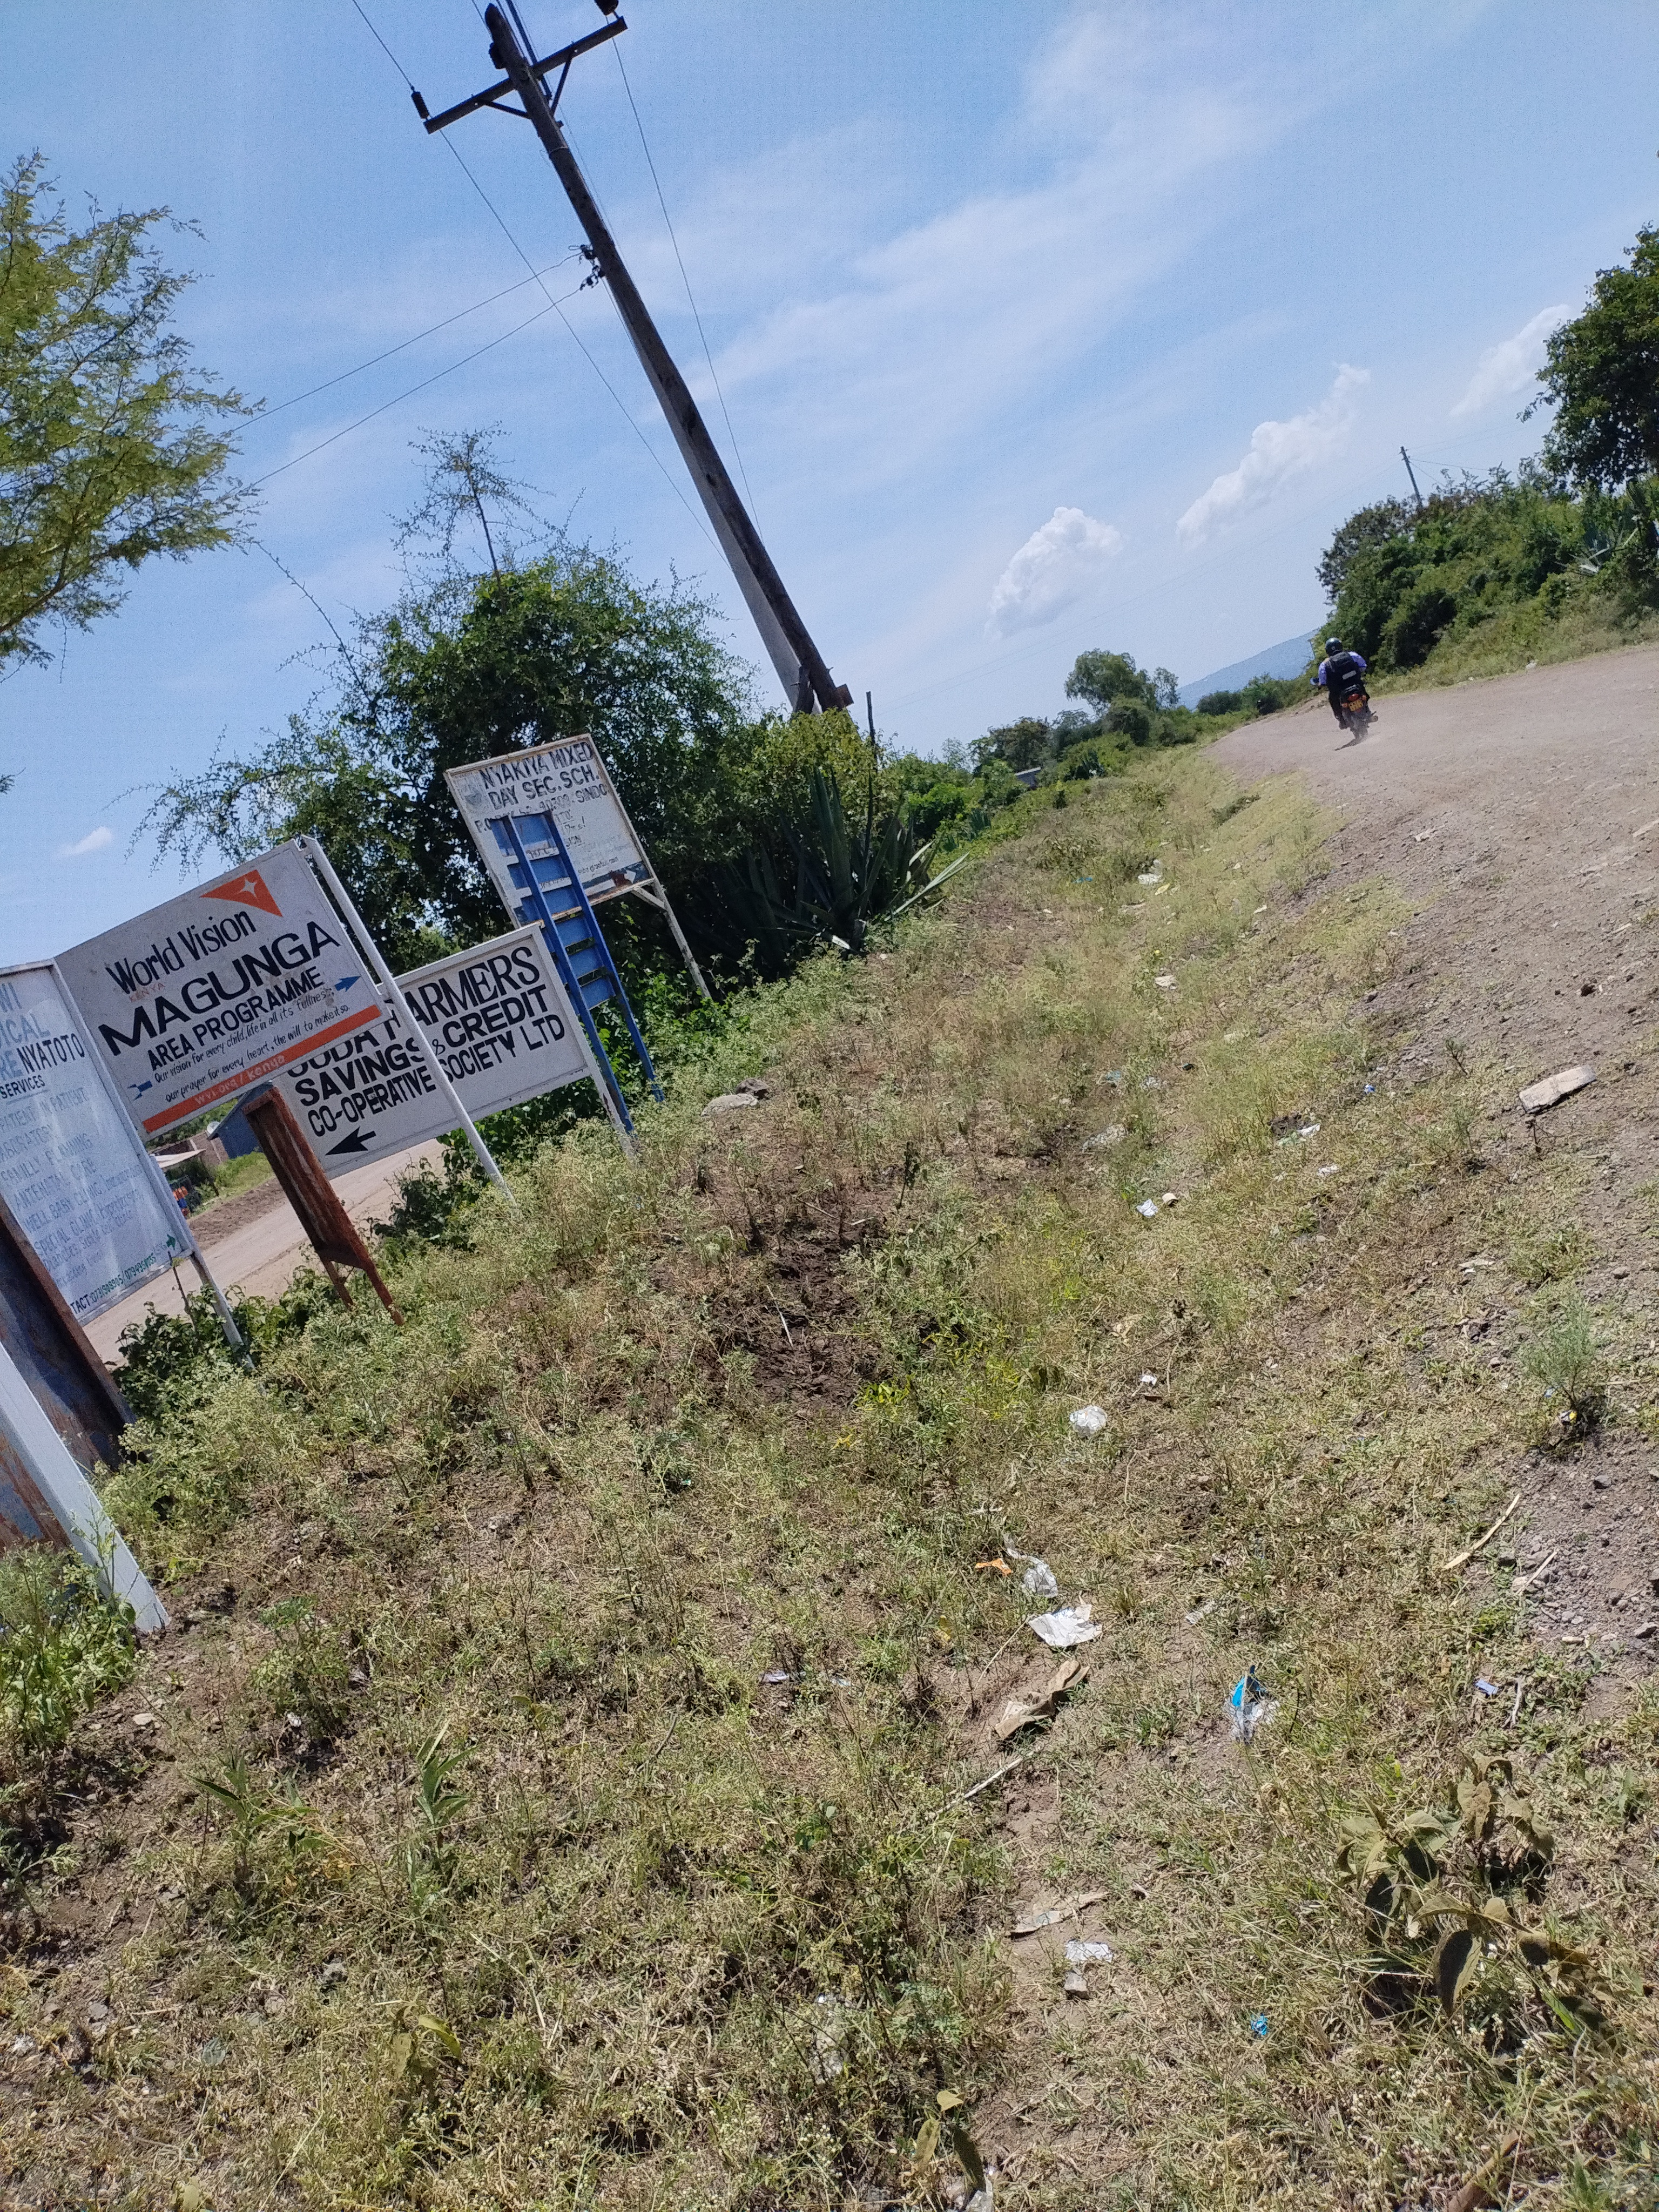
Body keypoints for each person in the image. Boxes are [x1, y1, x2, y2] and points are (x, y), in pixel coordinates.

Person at [1313, 637, 1372, 728]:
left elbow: (1323, 681)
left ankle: (1342, 720)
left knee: (1333, 700)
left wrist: (1321, 684)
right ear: (1340, 646)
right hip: (1357, 686)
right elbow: (1363, 666)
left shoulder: (1324, 665)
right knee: (1364, 693)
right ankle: (1367, 712)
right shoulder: (1352, 655)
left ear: (1327, 651)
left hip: (1339, 692)